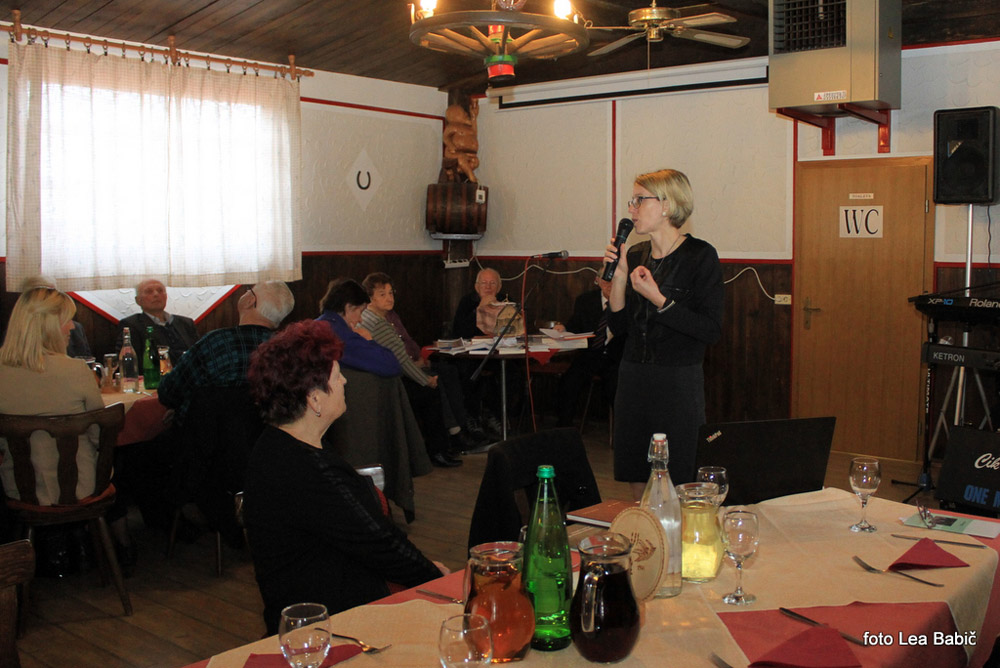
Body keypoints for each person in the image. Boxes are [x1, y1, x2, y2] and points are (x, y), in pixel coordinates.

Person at [243, 320, 447, 634]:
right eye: (337, 376)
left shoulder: (275, 444)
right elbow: (379, 542)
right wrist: (436, 578)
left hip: (315, 604)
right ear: (314, 399)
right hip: (327, 627)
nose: (345, 381)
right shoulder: (308, 468)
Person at [604, 169, 723, 499]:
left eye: (640, 200)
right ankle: (645, 528)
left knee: (679, 472)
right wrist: (620, 276)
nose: (632, 208)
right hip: (633, 377)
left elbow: (710, 330)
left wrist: (658, 298)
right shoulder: (636, 254)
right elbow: (619, 327)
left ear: (668, 205)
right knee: (636, 468)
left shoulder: (700, 256)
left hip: (677, 382)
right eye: (632, 201)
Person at [361, 272, 484, 462]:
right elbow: (401, 360)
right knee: (432, 389)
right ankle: (440, 448)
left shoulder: (384, 317)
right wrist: (425, 380)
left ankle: (457, 432)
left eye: (391, 293)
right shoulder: (377, 323)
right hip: (390, 380)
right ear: (370, 298)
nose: (389, 298)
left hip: (395, 372)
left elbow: (405, 346)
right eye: (382, 294)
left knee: (447, 372)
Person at [0, 288, 103, 505]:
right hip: (79, 484)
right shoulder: (75, 370)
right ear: (48, 325)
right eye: (67, 320)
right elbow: (98, 434)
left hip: (18, 486)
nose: (72, 327)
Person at [157, 280, 295, 426]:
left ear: (250, 301)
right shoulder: (287, 352)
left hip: (205, 435)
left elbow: (169, 392)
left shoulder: (216, 343)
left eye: (249, 290)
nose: (246, 292)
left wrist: (183, 407)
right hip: (265, 435)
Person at [556, 276, 626, 428]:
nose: (610, 285)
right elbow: (575, 325)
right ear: (598, 281)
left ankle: (622, 430)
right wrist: (564, 328)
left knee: (617, 386)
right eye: (606, 280)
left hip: (616, 358)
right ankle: (564, 428)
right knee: (569, 382)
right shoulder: (585, 300)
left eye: (614, 280)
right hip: (589, 355)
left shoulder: (628, 301)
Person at [316, 278, 400, 377]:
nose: (360, 320)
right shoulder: (343, 337)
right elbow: (392, 366)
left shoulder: (317, 324)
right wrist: (369, 340)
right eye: (361, 312)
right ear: (349, 307)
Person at [115, 279, 199, 365]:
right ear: (138, 300)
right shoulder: (131, 325)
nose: (156, 294)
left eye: (160, 291)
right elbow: (129, 362)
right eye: (149, 291)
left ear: (166, 296)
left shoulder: (186, 323)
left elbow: (199, 353)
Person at [19, 275, 91, 359]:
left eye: (52, 293)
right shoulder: (18, 335)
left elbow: (87, 361)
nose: (71, 326)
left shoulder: (76, 330)